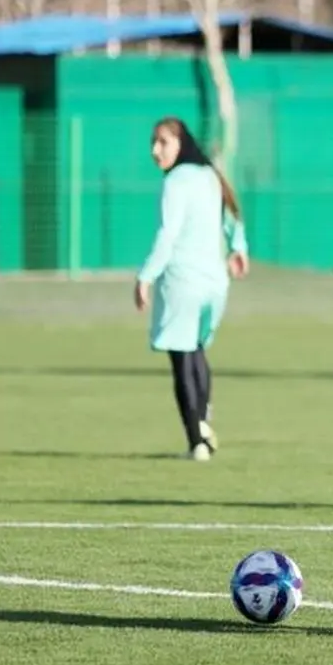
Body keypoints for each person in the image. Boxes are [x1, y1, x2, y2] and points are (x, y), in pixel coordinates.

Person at [135, 118, 249, 461]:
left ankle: (196, 440)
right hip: (215, 283)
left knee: (181, 356)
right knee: (196, 350)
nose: (155, 150)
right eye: (153, 142)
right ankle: (204, 423)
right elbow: (232, 217)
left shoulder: (175, 181)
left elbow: (168, 234)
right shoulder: (210, 175)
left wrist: (146, 276)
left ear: (180, 144)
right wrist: (239, 248)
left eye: (163, 142)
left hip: (182, 282)